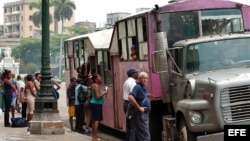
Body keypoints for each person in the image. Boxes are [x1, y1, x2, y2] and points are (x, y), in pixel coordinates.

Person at [128, 72, 151, 141]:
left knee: (142, 135)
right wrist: (139, 108)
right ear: (139, 79)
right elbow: (130, 97)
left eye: (146, 78)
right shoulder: (138, 87)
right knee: (145, 137)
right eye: (143, 78)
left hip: (143, 115)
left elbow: (139, 97)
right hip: (140, 115)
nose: (145, 80)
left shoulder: (142, 87)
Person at [90, 74, 108, 141]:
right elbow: (97, 97)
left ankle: (94, 136)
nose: (100, 78)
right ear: (95, 79)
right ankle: (95, 137)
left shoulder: (93, 85)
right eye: (99, 77)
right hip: (96, 104)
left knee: (94, 120)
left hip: (94, 104)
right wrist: (104, 92)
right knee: (97, 120)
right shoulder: (96, 86)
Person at [123, 67, 138, 141]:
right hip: (130, 105)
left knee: (128, 125)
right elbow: (133, 96)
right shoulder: (133, 83)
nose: (137, 74)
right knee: (133, 126)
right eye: (136, 72)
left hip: (126, 104)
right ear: (133, 74)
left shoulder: (126, 81)